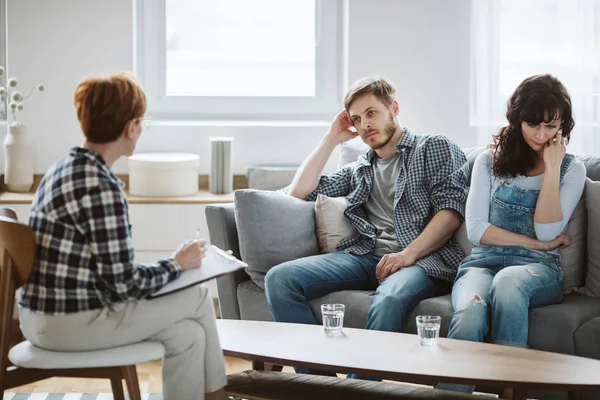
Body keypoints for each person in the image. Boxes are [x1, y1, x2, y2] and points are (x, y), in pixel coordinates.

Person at [18, 72, 228, 400]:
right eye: (142, 122)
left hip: (40, 318)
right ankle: (220, 396)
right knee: (198, 296)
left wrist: (172, 266)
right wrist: (176, 264)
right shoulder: (101, 186)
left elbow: (114, 276)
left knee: (188, 335)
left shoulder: (60, 168)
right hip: (69, 323)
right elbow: (124, 285)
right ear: (130, 127)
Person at [264, 76, 469, 378]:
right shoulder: (361, 166)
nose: (364, 125)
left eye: (372, 113)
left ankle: (357, 390)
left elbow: (451, 212)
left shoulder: (433, 147)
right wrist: (331, 138)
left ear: (394, 108)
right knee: (280, 279)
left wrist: (406, 255)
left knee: (390, 298)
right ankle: (319, 386)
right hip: (366, 255)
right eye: (357, 119)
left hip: (421, 261)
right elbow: (300, 192)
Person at [438, 74, 586, 393]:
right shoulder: (489, 161)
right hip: (482, 264)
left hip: (539, 269)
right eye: (533, 124)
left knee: (508, 282)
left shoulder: (572, 169)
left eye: (551, 126)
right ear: (517, 119)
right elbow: (477, 231)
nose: (541, 134)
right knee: (471, 311)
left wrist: (552, 167)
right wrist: (536, 242)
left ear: (563, 125)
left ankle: (509, 391)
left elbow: (549, 228)